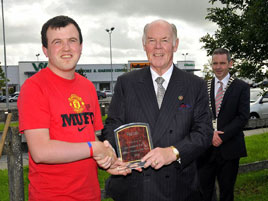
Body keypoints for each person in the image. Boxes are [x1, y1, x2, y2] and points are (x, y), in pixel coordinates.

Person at [17, 15, 128, 201]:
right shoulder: (33, 88)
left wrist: (107, 162)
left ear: (81, 47)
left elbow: (88, 136)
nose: (66, 48)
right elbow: (40, 151)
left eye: (72, 41)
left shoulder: (88, 87)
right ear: (45, 50)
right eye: (57, 42)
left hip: (90, 194)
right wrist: (95, 148)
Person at [100, 19, 213, 201]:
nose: (158, 47)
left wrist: (174, 152)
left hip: (179, 187)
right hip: (134, 186)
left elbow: (204, 132)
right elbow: (113, 125)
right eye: (152, 40)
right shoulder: (126, 83)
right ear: (144, 45)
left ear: (175, 45)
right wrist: (112, 149)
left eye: (165, 40)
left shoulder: (195, 85)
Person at [198, 48, 250, 201]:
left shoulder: (241, 87)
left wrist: (222, 136)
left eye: (222, 63)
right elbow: (198, 114)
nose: (218, 67)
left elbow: (243, 117)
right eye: (215, 63)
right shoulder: (203, 86)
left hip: (230, 149)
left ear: (230, 64)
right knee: (203, 191)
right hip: (206, 150)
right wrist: (210, 134)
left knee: (227, 192)